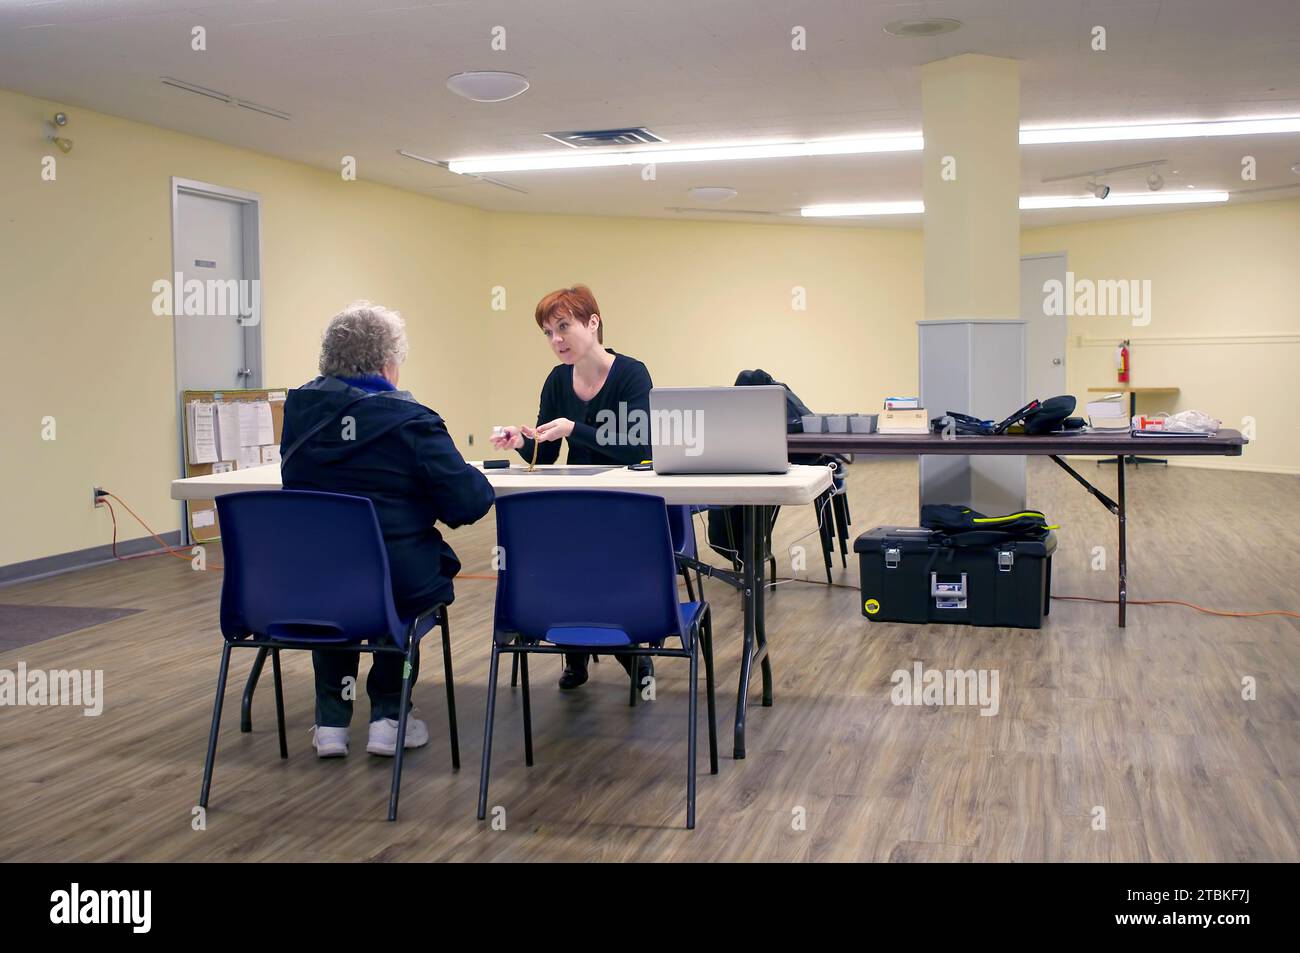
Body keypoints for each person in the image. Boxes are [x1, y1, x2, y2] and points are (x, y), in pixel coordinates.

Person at [281, 301, 494, 758]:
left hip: (314, 581)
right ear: (386, 363)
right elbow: (468, 502)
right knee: (399, 583)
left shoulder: (298, 413)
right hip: (399, 579)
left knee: (340, 581)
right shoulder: (412, 422)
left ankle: (331, 724)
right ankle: (389, 716)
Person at [490, 284, 654, 691]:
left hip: (627, 504)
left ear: (592, 323)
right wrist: (522, 441)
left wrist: (573, 428)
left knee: (591, 556)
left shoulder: (632, 374)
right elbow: (544, 458)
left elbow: (636, 447)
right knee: (561, 550)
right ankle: (576, 649)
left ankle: (626, 650)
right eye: (548, 332)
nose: (556, 340)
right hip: (579, 504)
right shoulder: (557, 381)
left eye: (563, 327)